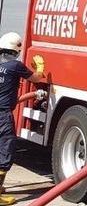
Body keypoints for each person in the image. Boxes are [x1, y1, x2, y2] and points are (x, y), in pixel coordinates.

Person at [0, 32, 46, 205]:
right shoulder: (15, 66)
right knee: (5, 152)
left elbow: (13, 99)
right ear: (16, 50)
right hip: (3, 117)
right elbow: (35, 78)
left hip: (3, 110)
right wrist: (40, 68)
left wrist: (34, 94)